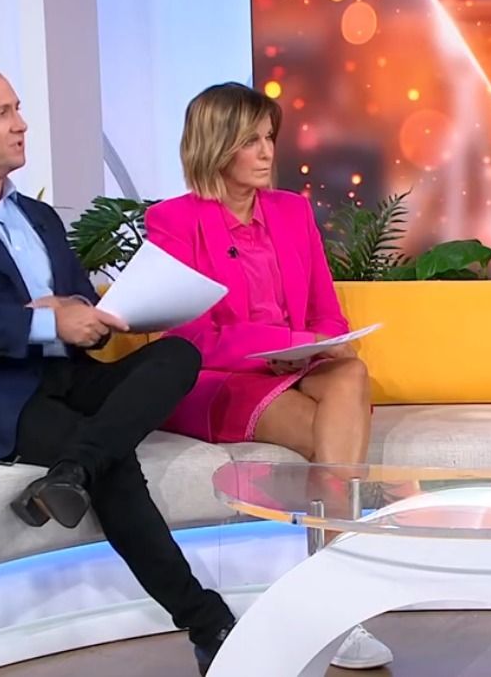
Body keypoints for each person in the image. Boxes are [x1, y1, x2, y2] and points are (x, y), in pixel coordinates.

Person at [0, 64, 235, 676]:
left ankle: (71, 473)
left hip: (61, 375)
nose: (22, 124)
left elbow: (74, 301)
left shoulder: (36, 217)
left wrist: (99, 315)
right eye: (3, 112)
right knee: (114, 459)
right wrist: (43, 321)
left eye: (18, 109)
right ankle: (210, 624)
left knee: (178, 355)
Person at [145, 82, 393, 670]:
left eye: (268, 138)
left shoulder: (290, 211)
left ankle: (328, 590)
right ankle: (339, 598)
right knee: (331, 432)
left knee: (350, 372)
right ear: (216, 145)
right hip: (221, 378)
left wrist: (316, 344)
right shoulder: (172, 221)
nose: (266, 152)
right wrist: (275, 347)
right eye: (251, 141)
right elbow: (188, 337)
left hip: (298, 364)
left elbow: (327, 312)